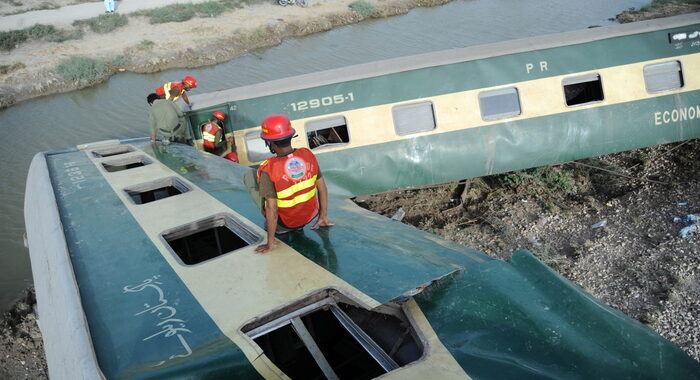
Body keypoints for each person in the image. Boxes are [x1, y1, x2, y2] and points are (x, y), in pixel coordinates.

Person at [255, 114, 333, 253]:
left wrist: (270, 242)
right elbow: (322, 188)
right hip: (309, 217)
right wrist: (323, 216)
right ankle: (302, 225)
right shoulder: (308, 155)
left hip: (284, 224)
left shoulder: (268, 169)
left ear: (269, 142)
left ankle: (279, 231)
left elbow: (272, 208)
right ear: (291, 136)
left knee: (251, 178)